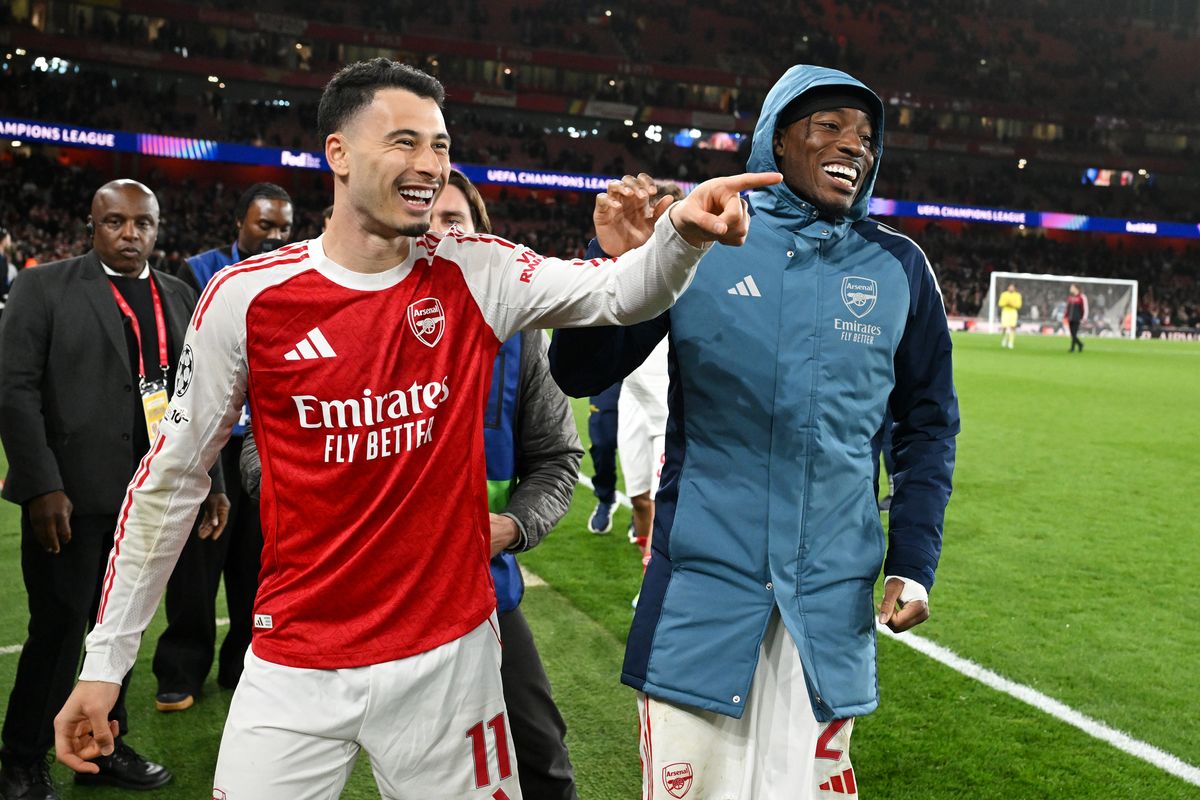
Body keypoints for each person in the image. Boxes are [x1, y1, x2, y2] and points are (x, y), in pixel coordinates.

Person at [53, 58, 778, 800]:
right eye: (405, 142)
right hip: (295, 661)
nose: (430, 165)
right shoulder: (247, 298)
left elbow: (619, 294)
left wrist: (681, 236)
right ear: (337, 153)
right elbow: (173, 480)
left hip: (450, 661)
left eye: (440, 146)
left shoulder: (474, 269)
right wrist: (105, 661)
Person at [549, 65, 959, 799]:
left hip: (829, 610)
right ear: (777, 137)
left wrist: (914, 559)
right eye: (829, 126)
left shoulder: (899, 268)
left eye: (866, 136)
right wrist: (630, 264)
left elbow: (928, 427)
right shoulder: (704, 230)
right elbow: (581, 373)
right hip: (704, 601)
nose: (853, 147)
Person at [240, 167, 584, 799]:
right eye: (426, 221)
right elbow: (260, 454)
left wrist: (511, 527)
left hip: (480, 597)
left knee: (542, 763)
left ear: (484, 241)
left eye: (454, 223)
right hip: (338, 600)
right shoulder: (332, 323)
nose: (436, 235)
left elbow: (559, 459)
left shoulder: (517, 338)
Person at [0, 180, 229, 799]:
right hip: (70, 501)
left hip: (152, 500)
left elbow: (203, 402)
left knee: (122, 628)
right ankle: (20, 758)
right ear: (92, 226)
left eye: (143, 224)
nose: (131, 235)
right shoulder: (42, 286)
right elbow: (15, 392)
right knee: (59, 630)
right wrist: (41, 485)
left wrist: (213, 482)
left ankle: (106, 742)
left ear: (159, 228)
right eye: (116, 223)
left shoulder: (180, 296)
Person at [150, 183, 295, 713]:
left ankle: (243, 663)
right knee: (196, 560)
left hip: (269, 442)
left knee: (258, 559)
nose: (276, 238)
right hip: (211, 444)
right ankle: (181, 669)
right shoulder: (200, 272)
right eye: (265, 226)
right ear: (239, 222)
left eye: (283, 228)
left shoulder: (295, 275)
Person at [585, 383, 620, 534]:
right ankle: (606, 497)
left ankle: (640, 509)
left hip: (646, 376)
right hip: (610, 374)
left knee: (641, 441)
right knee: (601, 443)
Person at [998, 282, 1022, 349]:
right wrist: (1006, 303)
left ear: (1014, 288)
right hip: (1005, 311)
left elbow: (1019, 305)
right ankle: (1004, 339)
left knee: (1013, 327)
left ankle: (1011, 342)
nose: (1011, 288)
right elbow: (1000, 303)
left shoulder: (1017, 295)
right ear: (1008, 287)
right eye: (1010, 287)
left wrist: (1011, 304)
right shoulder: (1004, 294)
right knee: (1004, 327)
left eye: (1012, 287)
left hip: (1013, 312)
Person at [1066, 283, 1088, 352]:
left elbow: (1085, 308)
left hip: (1077, 318)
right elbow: (1068, 308)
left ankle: (1073, 348)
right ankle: (1080, 345)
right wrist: (1066, 316)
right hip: (1070, 318)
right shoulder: (1070, 297)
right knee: (1072, 334)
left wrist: (1084, 318)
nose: (1070, 289)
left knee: (1074, 334)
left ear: (1076, 288)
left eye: (1072, 287)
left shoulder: (1082, 297)